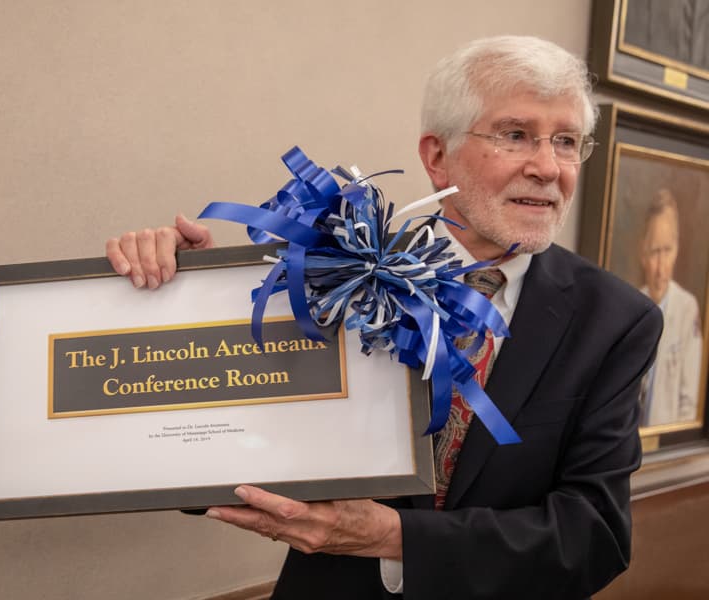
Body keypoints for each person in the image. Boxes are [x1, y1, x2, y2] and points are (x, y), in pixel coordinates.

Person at [106, 36, 663, 600]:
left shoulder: (617, 321)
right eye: (516, 135)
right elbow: (214, 458)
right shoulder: (327, 273)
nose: (548, 167)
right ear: (436, 155)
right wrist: (186, 305)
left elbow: (593, 536)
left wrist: (396, 537)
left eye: (566, 141)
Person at [638, 189, 702, 426]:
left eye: (667, 250)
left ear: (677, 250)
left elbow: (690, 401)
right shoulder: (633, 303)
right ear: (643, 253)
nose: (661, 266)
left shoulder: (687, 309)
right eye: (655, 252)